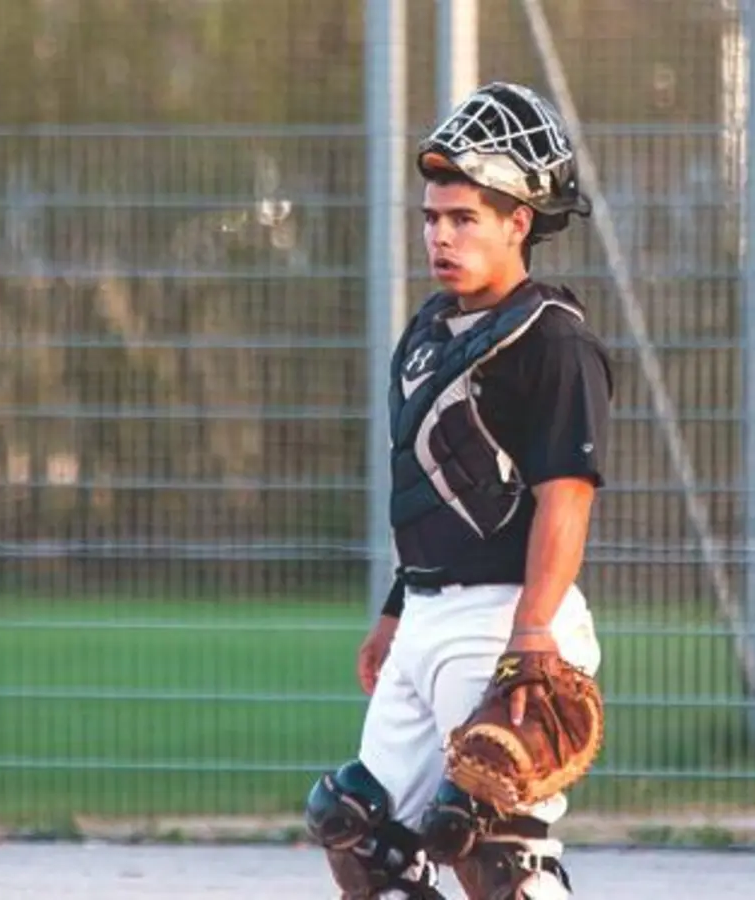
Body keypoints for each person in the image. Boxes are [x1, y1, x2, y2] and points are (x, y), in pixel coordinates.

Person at [302, 82, 615, 900]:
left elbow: (566, 496)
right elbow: (432, 491)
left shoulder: (551, 340)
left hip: (505, 615)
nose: (441, 236)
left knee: (493, 853)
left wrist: (535, 632)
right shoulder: (431, 331)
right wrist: (396, 612)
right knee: (356, 830)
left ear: (519, 222)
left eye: (464, 218)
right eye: (432, 219)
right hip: (430, 615)